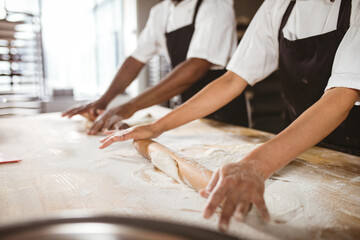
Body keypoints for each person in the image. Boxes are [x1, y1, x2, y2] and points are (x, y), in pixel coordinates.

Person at [99, 0, 360, 232]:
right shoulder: (278, 6)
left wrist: (255, 165)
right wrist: (156, 128)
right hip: (300, 148)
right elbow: (233, 79)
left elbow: (340, 96)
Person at [62, 0, 249, 134]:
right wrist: (104, 101)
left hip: (223, 113)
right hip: (188, 111)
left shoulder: (215, 6)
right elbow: (135, 59)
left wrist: (130, 106)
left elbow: (196, 67)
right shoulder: (161, 11)